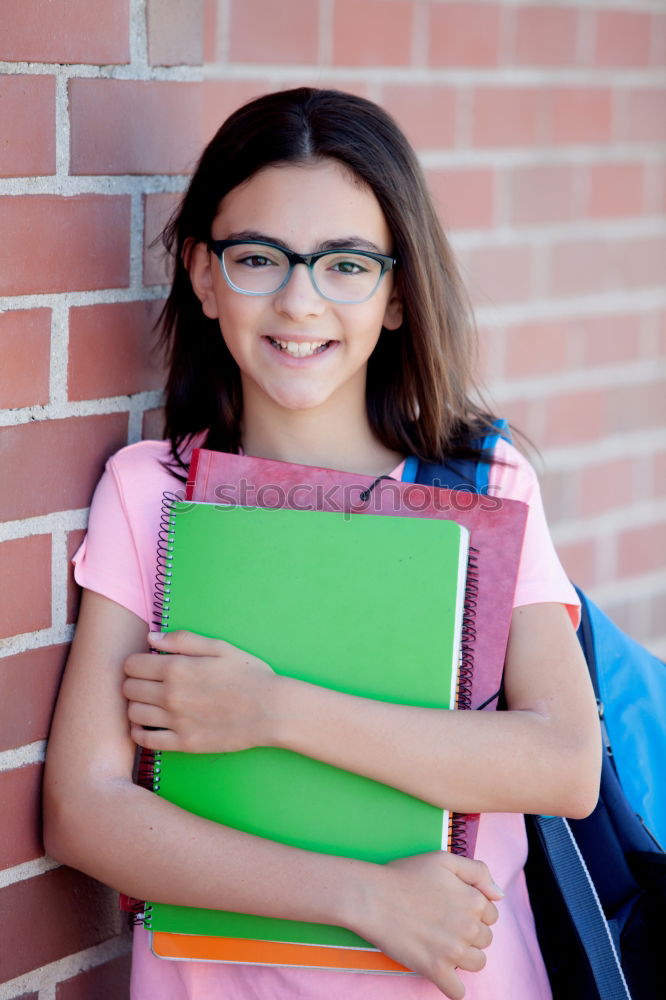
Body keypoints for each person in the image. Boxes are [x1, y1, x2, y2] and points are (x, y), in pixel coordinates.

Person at [43, 88, 601, 1000]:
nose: (300, 301)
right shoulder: (154, 493)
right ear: (204, 274)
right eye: (259, 258)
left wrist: (273, 712)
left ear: (394, 294)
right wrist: (361, 897)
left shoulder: (482, 486)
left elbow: (565, 763)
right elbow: (82, 811)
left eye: (345, 265)